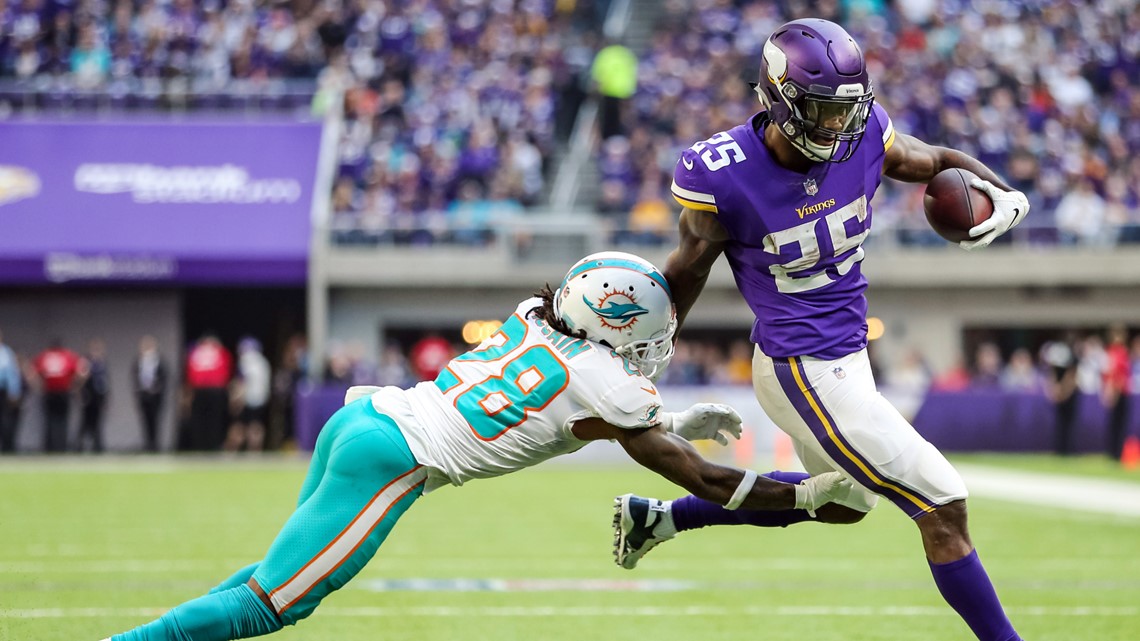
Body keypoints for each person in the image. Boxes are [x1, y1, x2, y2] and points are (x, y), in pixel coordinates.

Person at [99, 252, 849, 641]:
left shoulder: (535, 314)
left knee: (274, 571)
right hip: (397, 458)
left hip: (367, 420)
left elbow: (577, 412)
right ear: (618, 328)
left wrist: (678, 418)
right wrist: (804, 497)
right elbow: (704, 480)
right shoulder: (612, 387)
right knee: (273, 604)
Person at [612, 20, 1029, 641]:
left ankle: (661, 520)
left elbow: (937, 161)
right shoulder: (724, 173)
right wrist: (646, 348)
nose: (837, 127)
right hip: (799, 364)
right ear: (777, 98)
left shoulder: (863, 135)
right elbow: (688, 266)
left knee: (839, 502)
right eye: (821, 111)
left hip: (846, 355)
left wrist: (1001, 191)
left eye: (846, 110)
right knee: (943, 504)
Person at [182, 334, 233, 451]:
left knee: (204, 420)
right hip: (213, 389)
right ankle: (211, 445)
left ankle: (202, 445)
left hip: (204, 389)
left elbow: (190, 374)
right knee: (210, 420)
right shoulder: (219, 352)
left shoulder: (197, 352)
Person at [32, 339, 82, 453]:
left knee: (49, 420)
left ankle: (50, 447)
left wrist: (39, 387)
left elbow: (32, 372)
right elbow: (82, 372)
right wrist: (75, 387)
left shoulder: (44, 356)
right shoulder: (68, 355)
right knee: (62, 421)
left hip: (49, 392)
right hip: (63, 392)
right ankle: (61, 446)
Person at [224, 337, 272, 453]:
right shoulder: (263, 362)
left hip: (247, 399)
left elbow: (241, 383)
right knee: (256, 425)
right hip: (261, 400)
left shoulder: (245, 362)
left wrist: (235, 400)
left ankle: (231, 450)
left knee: (238, 425)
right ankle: (255, 451)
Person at [133, 335, 168, 453]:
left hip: (156, 397)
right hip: (144, 396)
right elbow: (135, 378)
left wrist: (156, 388)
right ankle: (147, 444)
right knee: (145, 420)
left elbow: (164, 379)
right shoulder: (139, 362)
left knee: (155, 420)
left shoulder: (160, 362)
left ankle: (155, 444)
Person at [1102, 324, 1131, 461]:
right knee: (1115, 424)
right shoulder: (1113, 352)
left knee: (1119, 424)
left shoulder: (1122, 352)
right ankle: (1113, 453)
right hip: (1117, 392)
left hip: (1122, 392)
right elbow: (1112, 375)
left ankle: (1117, 453)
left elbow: (1123, 375)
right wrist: (1110, 392)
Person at [76, 338, 110, 453]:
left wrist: (106, 397)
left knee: (97, 422)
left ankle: (98, 447)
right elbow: (80, 380)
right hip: (88, 396)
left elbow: (105, 382)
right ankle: (79, 446)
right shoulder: (85, 362)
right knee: (85, 422)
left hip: (99, 397)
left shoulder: (102, 363)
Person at [0, 328, 22, 453]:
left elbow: (13, 373)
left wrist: (14, 391)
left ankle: (7, 447)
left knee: (5, 420)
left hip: (2, 390)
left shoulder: (6, 353)